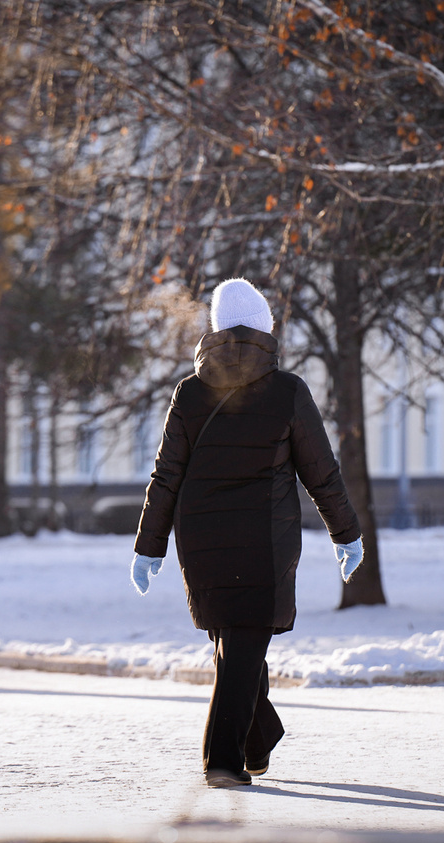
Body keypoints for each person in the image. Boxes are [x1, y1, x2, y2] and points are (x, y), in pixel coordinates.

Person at [131, 278, 364, 788]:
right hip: (266, 542)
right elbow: (321, 472)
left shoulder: (189, 393)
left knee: (235, 644)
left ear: (216, 331)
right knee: (242, 645)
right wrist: (346, 533)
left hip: (203, 545)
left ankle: (257, 744)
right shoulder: (288, 391)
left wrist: (149, 547)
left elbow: (166, 476)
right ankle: (222, 761)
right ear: (264, 330)